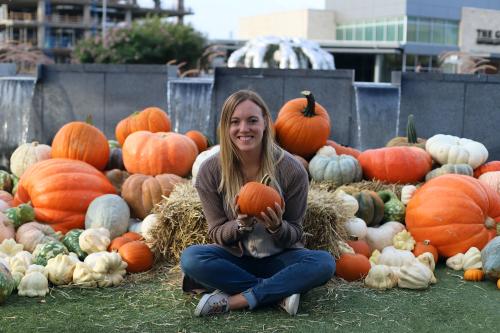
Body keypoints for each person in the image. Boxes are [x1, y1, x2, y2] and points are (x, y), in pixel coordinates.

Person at [180, 89, 335, 317]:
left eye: (252, 120)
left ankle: (235, 299)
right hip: (234, 259)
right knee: (192, 259)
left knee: (324, 263)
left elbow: (295, 232)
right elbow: (216, 232)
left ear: (265, 123)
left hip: (279, 260)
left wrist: (277, 228)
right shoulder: (210, 171)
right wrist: (240, 225)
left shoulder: (292, 170)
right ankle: (278, 293)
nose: (244, 129)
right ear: (225, 127)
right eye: (235, 122)